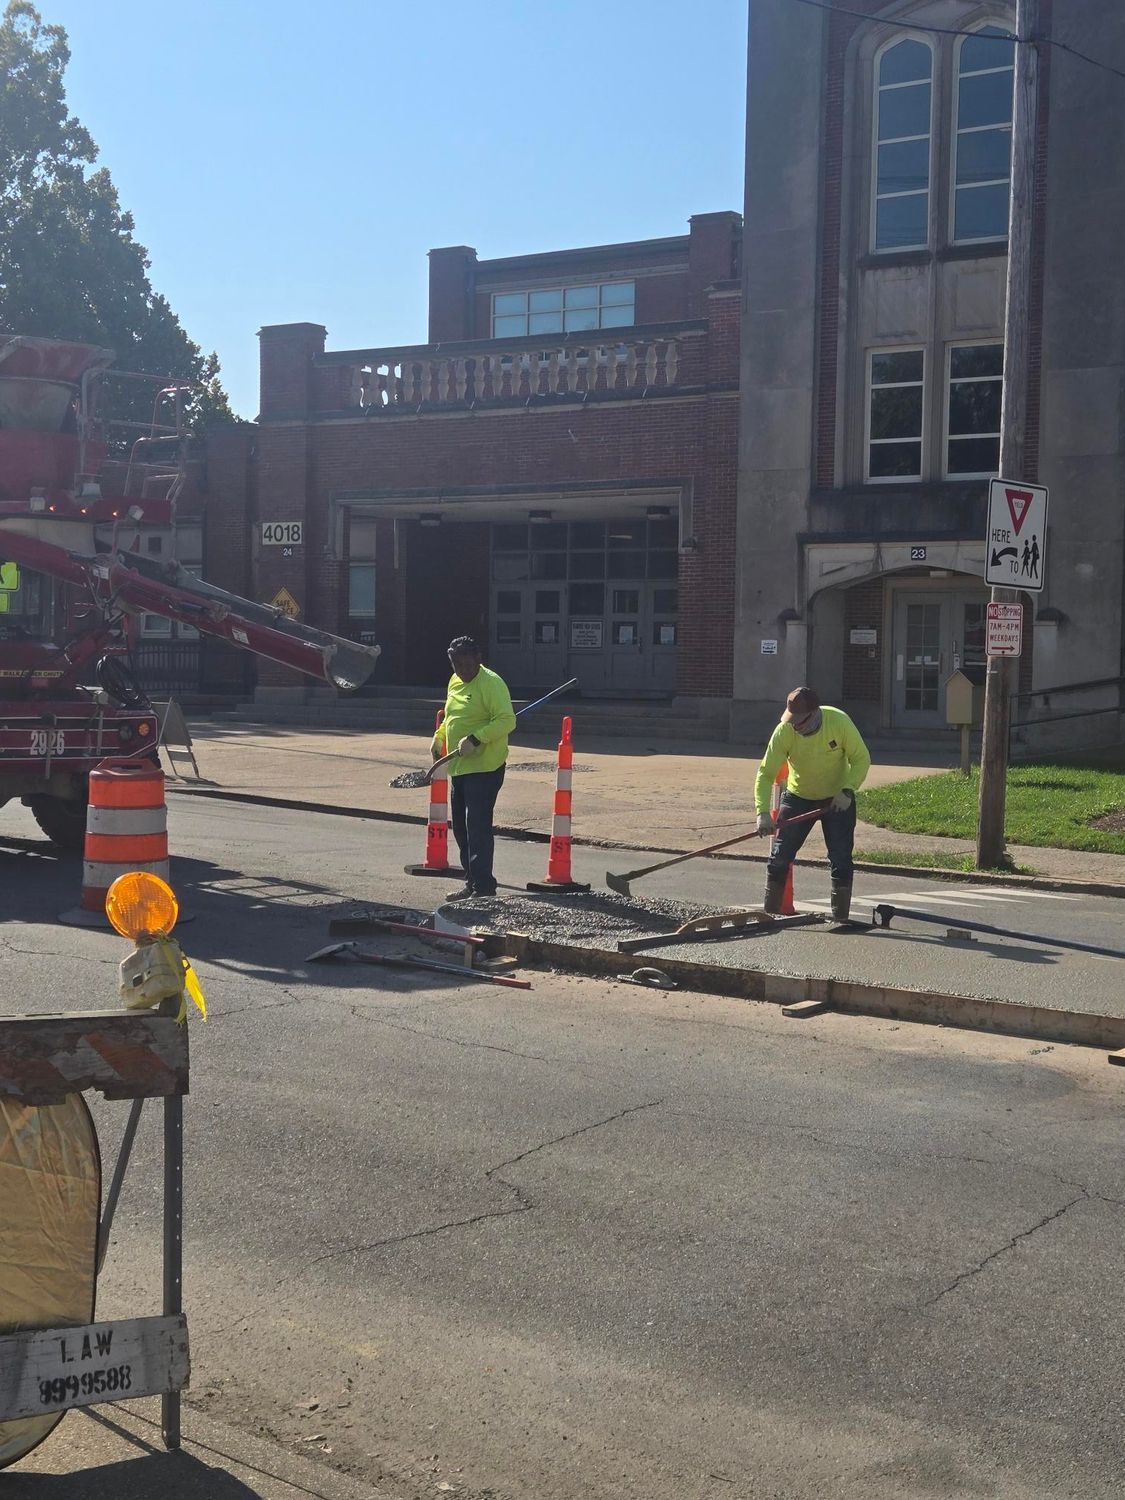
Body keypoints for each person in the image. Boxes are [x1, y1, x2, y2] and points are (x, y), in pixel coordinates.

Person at [752, 686, 871, 929]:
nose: (795, 726)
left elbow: (861, 758)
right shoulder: (784, 730)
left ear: (815, 714)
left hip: (838, 799)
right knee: (780, 856)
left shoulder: (838, 722)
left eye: (800, 722)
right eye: (791, 720)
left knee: (840, 857)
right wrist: (762, 812)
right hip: (798, 796)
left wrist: (848, 790)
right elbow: (766, 773)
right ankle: (770, 913)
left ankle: (840, 916)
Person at [431, 636, 516, 901]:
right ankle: (471, 880)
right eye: (458, 665)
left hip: (485, 766)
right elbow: (450, 716)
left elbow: (506, 720)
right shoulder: (455, 682)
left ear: (478, 659)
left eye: (468, 665)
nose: (464, 671)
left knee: (477, 826)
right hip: (460, 767)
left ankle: (484, 887)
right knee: (461, 828)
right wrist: (440, 737)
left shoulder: (491, 683)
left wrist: (476, 738)